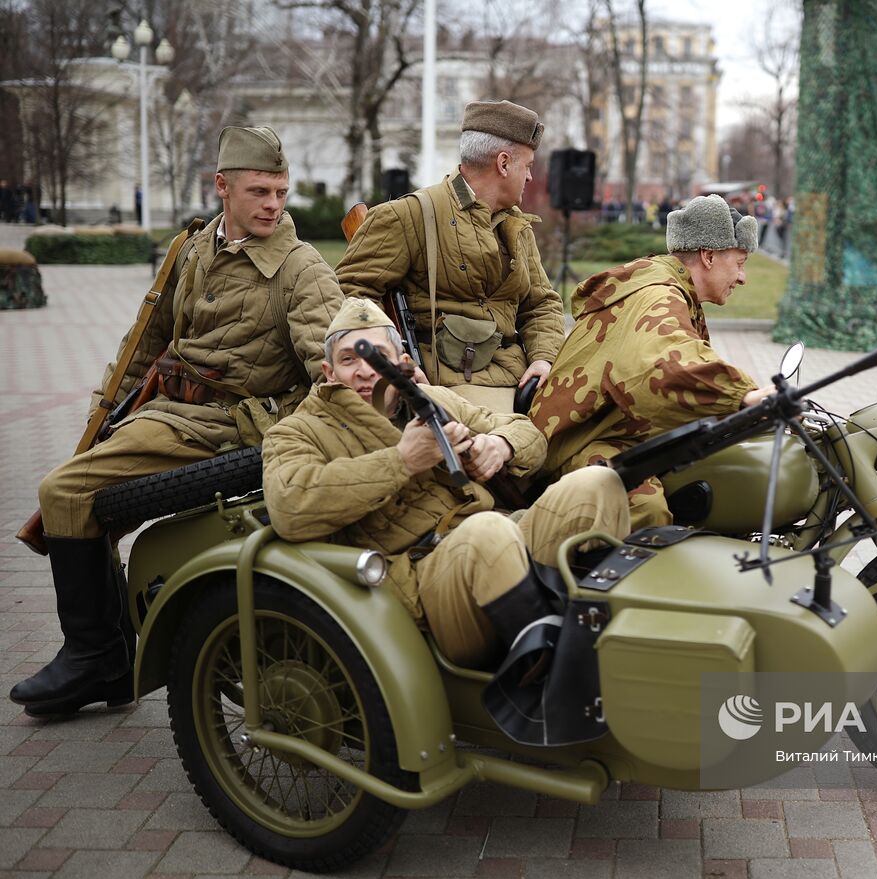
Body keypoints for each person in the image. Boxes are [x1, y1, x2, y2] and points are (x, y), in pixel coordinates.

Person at [13, 126, 345, 717]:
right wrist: (101, 412)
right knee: (80, 488)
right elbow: (147, 341)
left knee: (63, 490)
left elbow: (332, 362)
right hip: (166, 409)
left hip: (230, 423)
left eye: (281, 192)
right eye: (260, 191)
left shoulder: (302, 268)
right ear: (222, 187)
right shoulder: (192, 247)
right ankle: (107, 658)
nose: (274, 204)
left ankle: (95, 658)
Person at [261, 299, 629, 667]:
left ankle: (606, 639)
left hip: (489, 546)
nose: (364, 371)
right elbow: (290, 506)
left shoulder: (433, 399)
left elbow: (526, 432)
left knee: (598, 484)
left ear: (403, 362)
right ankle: (545, 674)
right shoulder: (295, 432)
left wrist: (498, 447)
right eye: (349, 359)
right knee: (488, 531)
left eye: (377, 356)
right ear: (328, 371)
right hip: (416, 586)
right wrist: (401, 461)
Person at [530, 195, 772, 529]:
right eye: (740, 263)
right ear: (709, 256)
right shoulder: (660, 294)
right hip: (574, 448)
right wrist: (744, 395)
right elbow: (666, 361)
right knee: (646, 512)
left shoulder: (668, 287)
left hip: (606, 434)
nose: (742, 277)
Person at [337, 100, 564, 415]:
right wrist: (393, 361)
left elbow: (542, 304)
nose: (529, 177)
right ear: (503, 163)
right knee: (525, 443)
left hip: (519, 375)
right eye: (527, 166)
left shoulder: (515, 225)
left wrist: (543, 358)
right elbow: (353, 295)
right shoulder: (409, 215)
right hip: (447, 384)